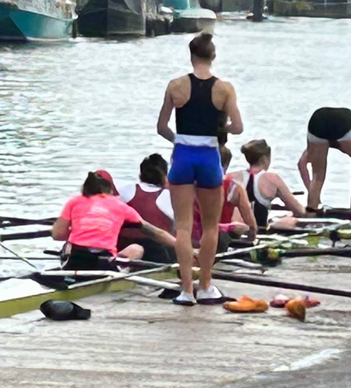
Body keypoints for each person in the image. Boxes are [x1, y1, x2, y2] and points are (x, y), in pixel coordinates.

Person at [156, 31, 243, 306]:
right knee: (210, 227)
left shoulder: (175, 85)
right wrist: (223, 129)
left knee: (182, 227)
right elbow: (238, 127)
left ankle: (186, 291)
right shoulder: (225, 88)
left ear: (191, 55)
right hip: (209, 156)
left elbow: (162, 127)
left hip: (183, 154)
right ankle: (205, 285)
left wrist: (179, 141)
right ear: (212, 56)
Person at [51, 170, 151, 269]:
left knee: (68, 244)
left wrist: (77, 230)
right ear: (110, 189)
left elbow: (57, 235)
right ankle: (121, 273)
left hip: (77, 258)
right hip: (104, 261)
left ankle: (68, 268)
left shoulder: (74, 201)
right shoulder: (120, 205)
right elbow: (151, 229)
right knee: (137, 249)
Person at [297, 107, 351, 215]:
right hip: (343, 123)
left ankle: (311, 212)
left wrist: (314, 196)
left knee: (317, 177)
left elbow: (301, 164)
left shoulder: (313, 148)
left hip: (317, 123)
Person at [115, 154, 178, 264]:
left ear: (140, 174)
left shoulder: (125, 190)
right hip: (156, 252)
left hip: (123, 246)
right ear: (165, 175)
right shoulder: (169, 196)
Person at [240, 138, 304, 231]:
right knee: (291, 219)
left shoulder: (234, 177)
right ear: (265, 159)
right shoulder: (272, 179)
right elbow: (299, 210)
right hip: (260, 230)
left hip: (239, 230)